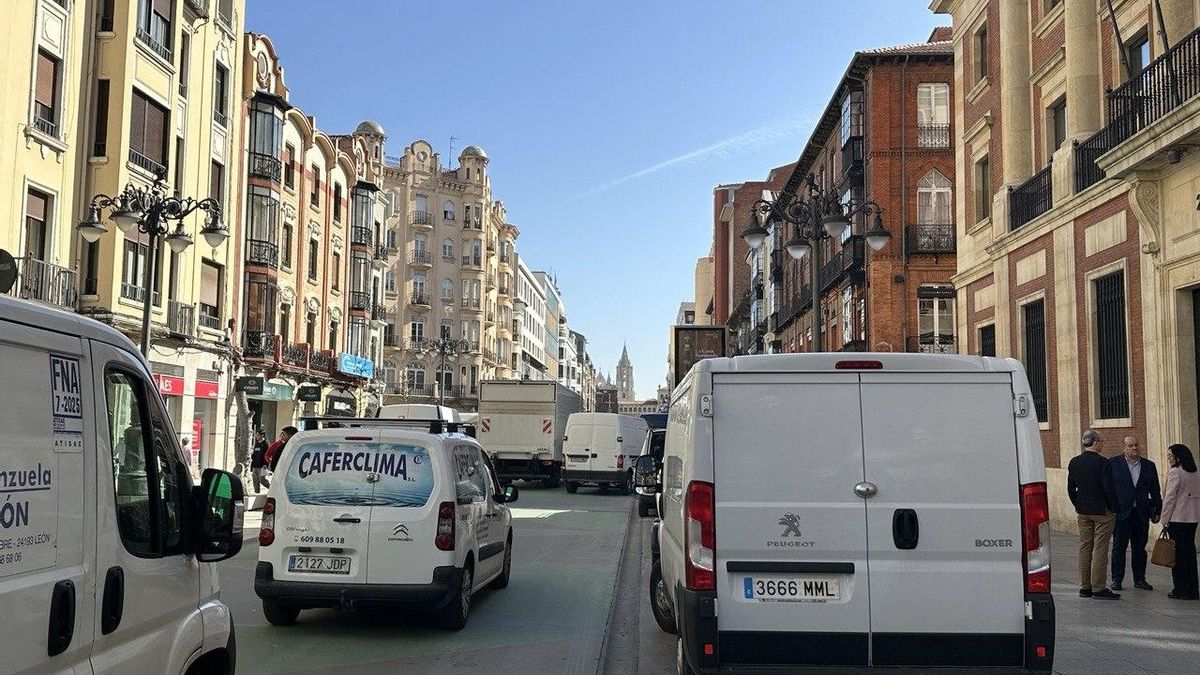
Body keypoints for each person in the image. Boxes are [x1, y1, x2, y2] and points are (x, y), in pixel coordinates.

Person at [1067, 429, 1120, 599]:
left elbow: (1070, 488)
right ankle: (1098, 587)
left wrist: (1077, 504)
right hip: (1102, 510)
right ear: (1096, 443)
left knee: (1084, 546)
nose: (1102, 444)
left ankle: (1084, 586)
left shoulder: (1074, 462)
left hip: (1083, 511)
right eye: (1101, 442)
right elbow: (1108, 488)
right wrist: (1113, 507)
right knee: (1100, 548)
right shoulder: (1103, 463)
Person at [1108, 436, 1161, 591]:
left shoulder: (1149, 466)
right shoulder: (1113, 464)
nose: (1135, 448)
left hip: (1141, 513)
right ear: (1124, 447)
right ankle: (1116, 580)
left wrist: (1157, 510)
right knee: (1119, 547)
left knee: (1140, 548)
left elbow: (1155, 490)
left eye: (1137, 445)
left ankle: (1139, 579)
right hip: (1121, 513)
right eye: (1130, 445)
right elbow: (1108, 488)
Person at [1160, 444, 1200, 600]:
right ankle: (1192, 589)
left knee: (1177, 556)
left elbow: (1170, 499)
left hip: (1177, 518)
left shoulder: (1175, 472)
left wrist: (1164, 520)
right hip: (1192, 518)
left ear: (1178, 457)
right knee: (1189, 554)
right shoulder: (1195, 472)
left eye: (1170, 456)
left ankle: (1181, 589)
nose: (1169, 458)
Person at [250, 429, 271, 493]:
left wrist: (266, 464)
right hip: (255, 465)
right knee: (255, 481)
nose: (256, 436)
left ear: (262, 435)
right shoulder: (256, 444)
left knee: (262, 480)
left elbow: (268, 455)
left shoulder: (265, 444)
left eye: (258, 435)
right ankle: (257, 492)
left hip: (262, 465)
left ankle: (271, 489)